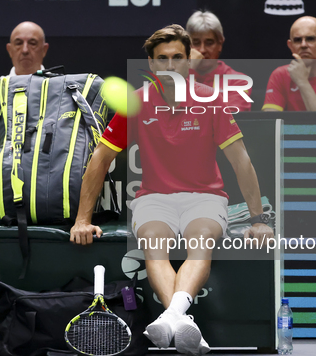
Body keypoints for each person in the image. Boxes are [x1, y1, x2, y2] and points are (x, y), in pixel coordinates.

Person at [70, 25, 273, 355]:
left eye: (177, 58)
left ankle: (172, 318)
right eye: (161, 59)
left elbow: (241, 161)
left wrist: (258, 218)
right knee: (154, 245)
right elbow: (100, 159)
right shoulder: (135, 104)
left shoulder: (211, 102)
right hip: (154, 199)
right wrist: (82, 219)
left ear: (188, 62)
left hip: (205, 199)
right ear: (151, 65)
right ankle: (182, 322)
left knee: (200, 241)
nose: (170, 65)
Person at [0, 21, 49, 119]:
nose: (25, 50)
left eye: (32, 43)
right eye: (18, 43)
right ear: (10, 50)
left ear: (44, 50)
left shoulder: (60, 83)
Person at [186, 10, 252, 112]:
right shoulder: (176, 80)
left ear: (220, 44)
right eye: (196, 43)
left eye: (209, 43)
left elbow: (230, 120)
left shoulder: (238, 81)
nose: (202, 50)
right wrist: (188, 72)